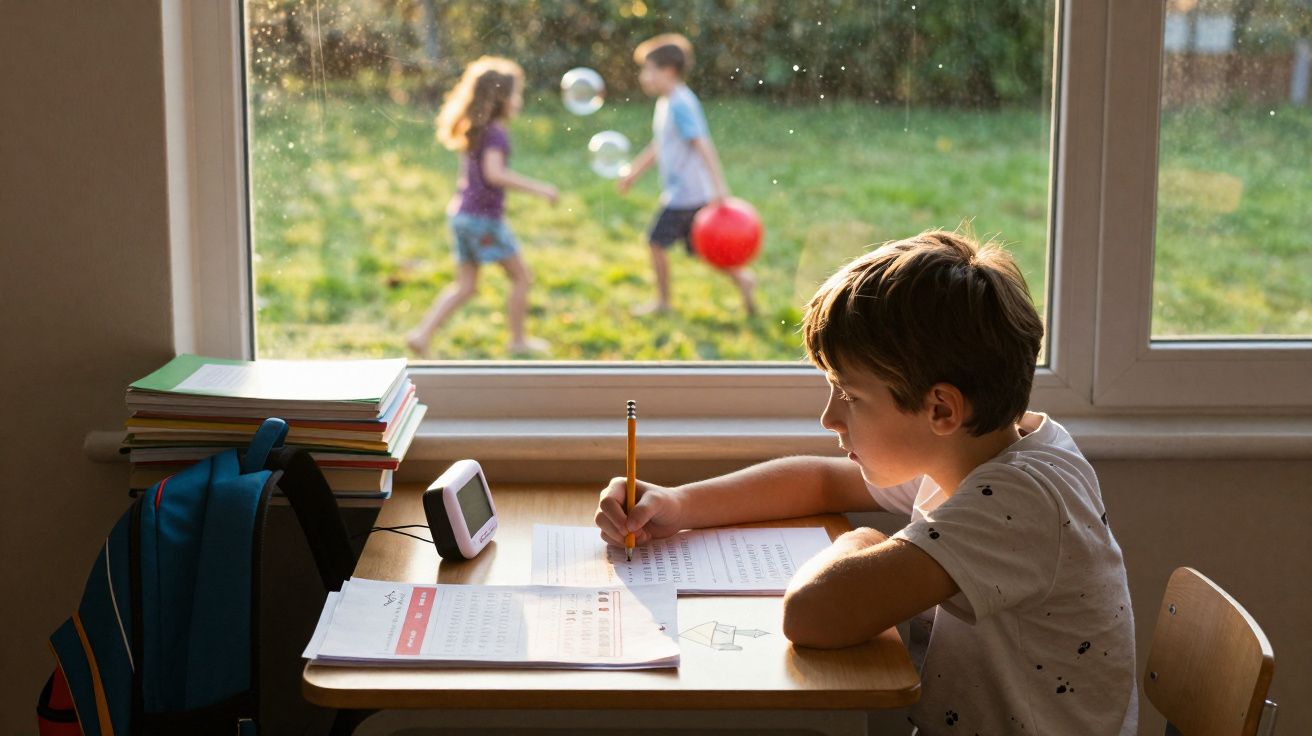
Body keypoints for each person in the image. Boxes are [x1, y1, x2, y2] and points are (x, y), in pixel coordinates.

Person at [594, 231, 1138, 735]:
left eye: (850, 396)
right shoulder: (983, 447)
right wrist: (678, 503)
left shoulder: (1019, 499)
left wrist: (866, 544)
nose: (829, 418)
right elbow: (820, 483)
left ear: (941, 408)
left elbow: (814, 614)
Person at [406, 56, 558, 358]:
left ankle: (422, 335)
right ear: (502, 98)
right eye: (516, 94)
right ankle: (518, 341)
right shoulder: (495, 134)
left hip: (461, 216)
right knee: (521, 278)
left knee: (466, 286)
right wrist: (540, 188)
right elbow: (494, 174)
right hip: (483, 221)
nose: (519, 100)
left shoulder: (475, 129)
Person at [617, 33, 757, 316]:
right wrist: (634, 172)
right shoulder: (668, 101)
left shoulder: (680, 103)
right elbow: (661, 144)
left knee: (655, 243)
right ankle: (743, 279)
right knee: (704, 249)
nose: (643, 76)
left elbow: (702, 143)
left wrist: (719, 187)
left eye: (648, 69)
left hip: (688, 195)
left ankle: (663, 302)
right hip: (686, 192)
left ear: (667, 71)